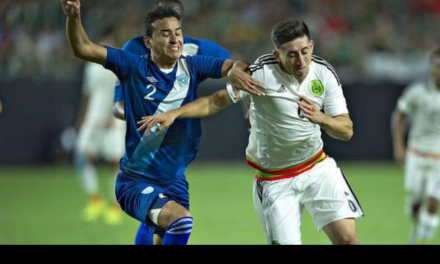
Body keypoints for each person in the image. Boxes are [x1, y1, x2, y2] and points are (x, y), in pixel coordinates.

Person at [138, 18, 364, 245]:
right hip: (276, 180)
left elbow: (346, 131)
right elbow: (216, 102)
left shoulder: (324, 73)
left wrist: (321, 118)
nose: (301, 60)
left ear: (312, 46)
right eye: (292, 54)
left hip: (317, 168)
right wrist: (175, 113)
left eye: (305, 51)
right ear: (277, 55)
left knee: (348, 240)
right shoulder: (261, 74)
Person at [60, 0, 259, 245]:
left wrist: (237, 71)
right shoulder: (132, 64)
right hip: (136, 180)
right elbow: (82, 47)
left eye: (178, 32)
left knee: (161, 234)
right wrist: (73, 16)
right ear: (149, 42)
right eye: (165, 34)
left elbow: (233, 66)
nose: (175, 39)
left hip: (175, 179)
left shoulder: (193, 64)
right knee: (181, 220)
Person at [112, 0, 233, 245]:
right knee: (168, 218)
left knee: (163, 223)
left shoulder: (198, 50)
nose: (172, 35)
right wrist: (147, 113)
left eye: (176, 27)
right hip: (148, 145)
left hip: (176, 148)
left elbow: (236, 72)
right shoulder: (134, 49)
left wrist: (247, 108)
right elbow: (119, 105)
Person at [392, 48, 440, 245]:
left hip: (438, 157)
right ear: (431, 68)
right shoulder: (416, 92)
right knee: (416, 202)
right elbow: (399, 116)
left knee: (432, 201)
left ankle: (423, 241)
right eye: (437, 66)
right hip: (417, 154)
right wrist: (399, 147)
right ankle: (417, 227)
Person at [75, 57, 126, 225]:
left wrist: (115, 116)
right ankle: (95, 200)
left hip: (114, 122)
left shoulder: (118, 63)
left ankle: (114, 206)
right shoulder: (91, 67)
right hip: (92, 120)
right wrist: (82, 117)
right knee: (82, 156)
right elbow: (87, 93)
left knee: (115, 163)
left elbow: (125, 91)